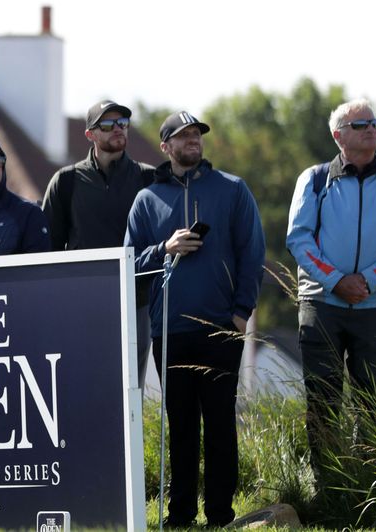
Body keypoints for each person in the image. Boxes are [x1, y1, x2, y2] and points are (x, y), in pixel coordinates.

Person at [124, 111, 265, 527]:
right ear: (165, 147)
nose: (193, 141)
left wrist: (241, 313)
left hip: (222, 326)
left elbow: (252, 253)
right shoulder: (147, 200)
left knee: (221, 423)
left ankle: (220, 514)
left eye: (196, 134)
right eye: (183, 136)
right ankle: (180, 514)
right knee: (181, 426)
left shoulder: (232, 189)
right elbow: (129, 262)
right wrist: (165, 248)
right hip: (170, 329)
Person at [286, 99, 376, 486]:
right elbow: (299, 239)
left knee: (371, 402)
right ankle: (328, 490)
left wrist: (368, 280)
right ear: (339, 136)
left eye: (374, 123)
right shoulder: (315, 178)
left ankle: (369, 488)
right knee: (322, 402)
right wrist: (336, 279)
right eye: (361, 125)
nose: (372, 129)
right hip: (322, 302)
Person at [42, 100, 155, 389]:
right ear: (90, 134)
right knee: (84, 388)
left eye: (123, 123)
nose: (118, 129)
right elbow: (48, 249)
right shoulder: (65, 181)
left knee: (130, 392)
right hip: (82, 302)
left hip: (136, 302)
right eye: (107, 124)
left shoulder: (149, 178)